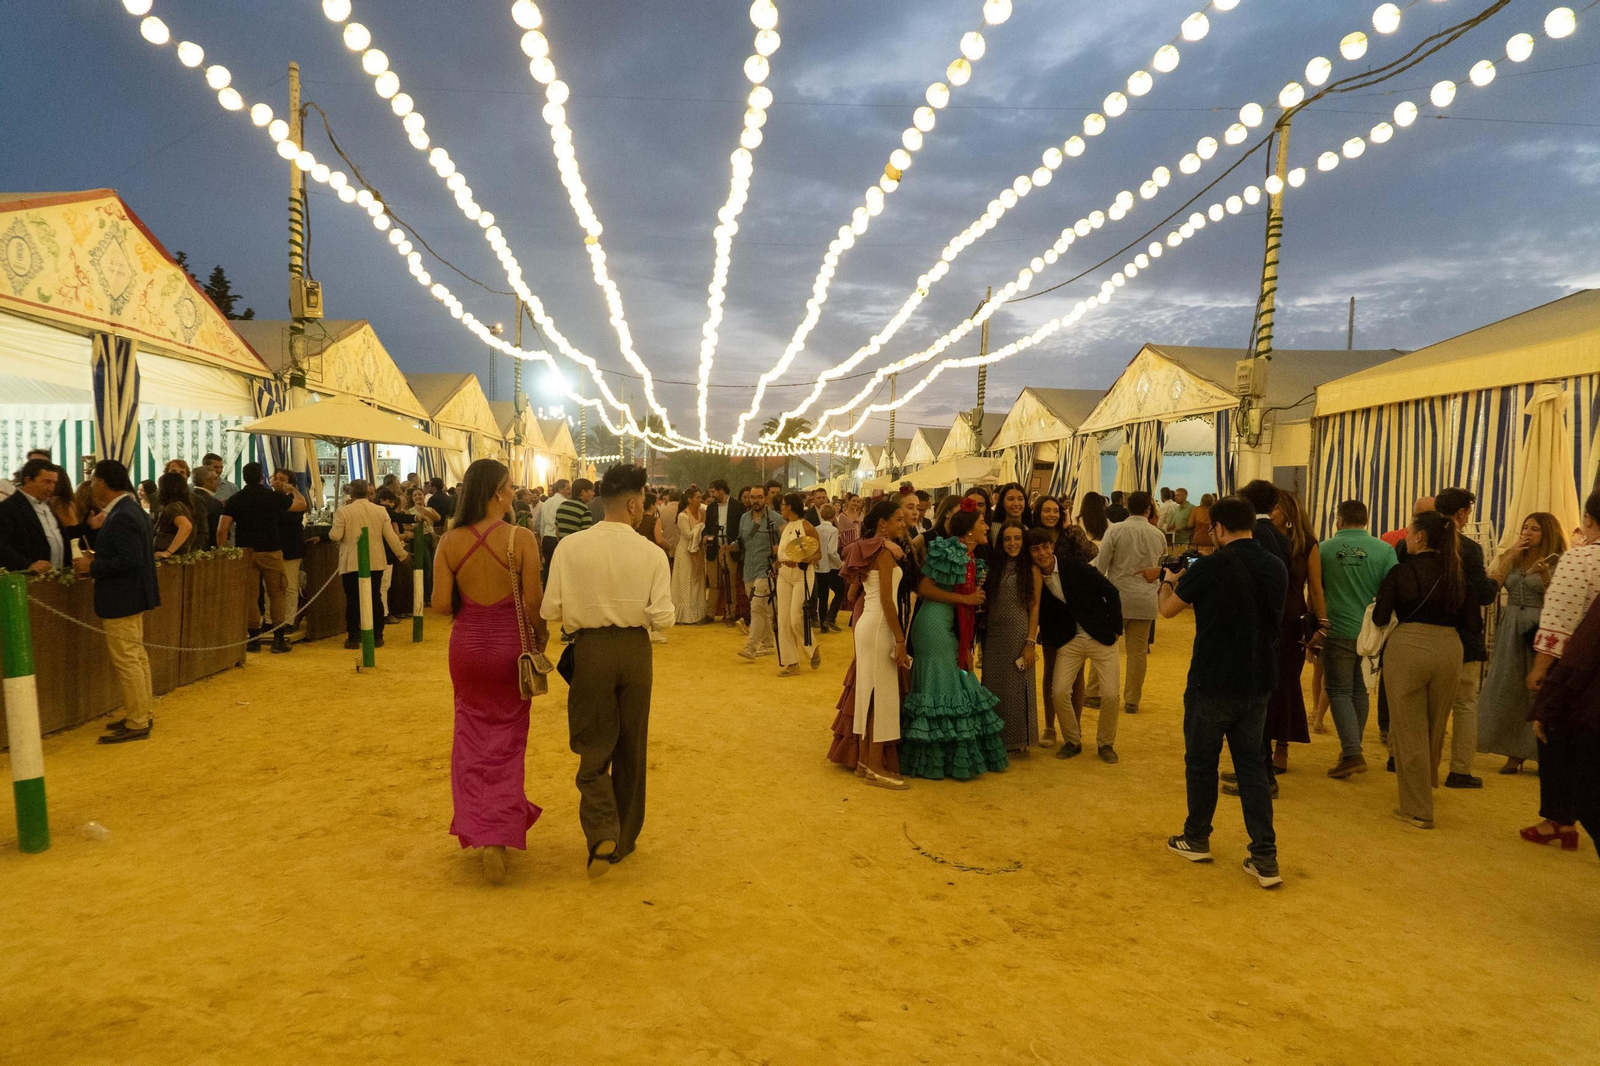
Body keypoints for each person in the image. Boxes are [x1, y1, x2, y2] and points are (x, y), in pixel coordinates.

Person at [540, 464, 673, 876]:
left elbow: (550, 610)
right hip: (636, 650)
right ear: (634, 503)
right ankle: (625, 839)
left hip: (591, 650)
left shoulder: (570, 548)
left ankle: (601, 829)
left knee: (592, 742)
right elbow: (664, 618)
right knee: (632, 745)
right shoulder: (651, 553)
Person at [1158, 496, 1287, 888]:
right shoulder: (1276, 566)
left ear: (1217, 527)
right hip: (1258, 679)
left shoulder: (1212, 565)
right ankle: (1265, 856)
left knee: (1201, 761)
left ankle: (1196, 837)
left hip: (1212, 680)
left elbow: (1167, 610)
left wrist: (1168, 580)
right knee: (1251, 769)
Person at [431, 459, 547, 885]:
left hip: (466, 648)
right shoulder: (522, 539)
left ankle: (481, 830)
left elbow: (441, 605)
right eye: (510, 486)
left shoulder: (450, 541)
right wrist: (541, 639)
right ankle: (498, 833)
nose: (514, 492)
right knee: (508, 742)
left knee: (470, 736)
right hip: (509, 649)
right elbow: (533, 605)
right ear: (497, 492)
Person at [1374, 510, 1473, 829]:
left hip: (1409, 648)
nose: (1405, 536)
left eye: (1410, 531)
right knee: (1435, 725)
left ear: (1420, 537)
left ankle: (1417, 808)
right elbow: (1473, 622)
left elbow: (1380, 617)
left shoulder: (1400, 573)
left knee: (1408, 728)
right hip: (1449, 649)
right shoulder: (1458, 573)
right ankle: (1425, 782)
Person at [900, 502, 1008, 780]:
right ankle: (939, 758)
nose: (986, 527)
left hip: (949, 623)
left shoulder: (970, 555)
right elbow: (924, 588)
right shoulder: (948, 550)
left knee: (955, 680)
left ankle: (942, 756)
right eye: (982, 522)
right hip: (933, 624)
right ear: (969, 529)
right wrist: (965, 598)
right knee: (945, 684)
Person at [1525, 490, 1600, 852]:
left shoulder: (1579, 560)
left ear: (1588, 521)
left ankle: (1557, 818)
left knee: (1553, 736)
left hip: (1574, 670)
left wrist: (1541, 669)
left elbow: (1559, 621)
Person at [75, 461, 162, 745]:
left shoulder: (122, 514)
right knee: (136, 657)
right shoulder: (130, 509)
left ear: (101, 482)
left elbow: (129, 560)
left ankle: (138, 721)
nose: (91, 485)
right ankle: (141, 713)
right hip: (132, 595)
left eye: (93, 480)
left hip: (122, 596)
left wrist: (93, 565)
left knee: (129, 660)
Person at [1422, 487, 1499, 790]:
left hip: (1422, 632)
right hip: (1462, 636)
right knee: (1465, 703)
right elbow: (1482, 594)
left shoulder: (1415, 540)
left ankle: (1419, 767)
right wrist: (1496, 577)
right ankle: (1460, 770)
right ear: (1462, 513)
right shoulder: (1468, 548)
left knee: (1426, 706)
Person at [828, 501, 911, 774]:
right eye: (898, 518)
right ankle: (875, 766)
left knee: (868, 694)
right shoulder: (883, 553)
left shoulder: (873, 548)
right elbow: (888, 600)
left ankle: (865, 761)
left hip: (868, 624)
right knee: (880, 696)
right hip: (879, 626)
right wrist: (900, 640)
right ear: (883, 522)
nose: (905, 523)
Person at [1478, 513, 1565, 774]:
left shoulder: (1558, 560)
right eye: (1525, 527)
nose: (1528, 533)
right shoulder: (1514, 556)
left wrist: (1546, 574)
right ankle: (1514, 752)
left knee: (1538, 689)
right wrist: (1511, 555)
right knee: (1510, 686)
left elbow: (1560, 599)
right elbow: (1494, 583)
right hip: (1511, 623)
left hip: (1540, 624)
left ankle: (1541, 751)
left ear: (1547, 533)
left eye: (1535, 529)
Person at [1318, 500, 1398, 779]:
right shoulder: (1385, 550)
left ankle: (1352, 751)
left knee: (1339, 690)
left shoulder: (1324, 549)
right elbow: (1392, 590)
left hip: (1336, 627)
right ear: (1366, 520)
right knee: (1360, 689)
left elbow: (1317, 589)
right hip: (1371, 632)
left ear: (1338, 519)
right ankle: (1351, 749)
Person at [1039, 522, 1125, 762]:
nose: (1042, 554)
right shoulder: (1035, 579)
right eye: (1036, 550)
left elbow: (1112, 591)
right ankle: (1072, 740)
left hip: (1101, 637)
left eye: (1045, 547)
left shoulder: (1075, 566)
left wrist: (1116, 627)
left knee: (1109, 695)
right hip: (1070, 641)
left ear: (1052, 547)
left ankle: (1106, 743)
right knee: (1058, 692)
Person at [1262, 489, 1323, 775]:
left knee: (1286, 684)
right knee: (1260, 682)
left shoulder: (1308, 544)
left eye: (1274, 508)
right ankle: (1259, 744)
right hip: (1263, 620)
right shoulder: (1260, 540)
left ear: (1287, 512)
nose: (1269, 513)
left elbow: (1316, 587)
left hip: (1291, 623)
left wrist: (1321, 625)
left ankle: (1282, 745)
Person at [216, 462, 306, 654]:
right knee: (276, 594)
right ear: (262, 477)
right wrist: (295, 490)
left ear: (244, 477)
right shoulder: (273, 497)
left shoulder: (235, 499)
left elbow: (222, 530)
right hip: (271, 550)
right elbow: (301, 505)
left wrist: (223, 553)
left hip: (246, 552)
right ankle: (279, 639)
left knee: (251, 596)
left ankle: (254, 639)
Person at [1094, 490, 1165, 719]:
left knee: (1103, 647)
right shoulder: (1158, 535)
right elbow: (1161, 567)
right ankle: (1132, 700)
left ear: (1127, 506)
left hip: (1117, 598)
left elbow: (1101, 565)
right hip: (1145, 600)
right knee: (1138, 653)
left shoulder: (1115, 530)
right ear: (1149, 510)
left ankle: (1093, 692)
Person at [981, 522, 1041, 753]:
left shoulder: (1031, 570)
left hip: (1018, 632)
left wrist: (1030, 642)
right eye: (1007, 539)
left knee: (1017, 685)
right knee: (992, 684)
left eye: (1017, 538)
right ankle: (994, 737)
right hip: (994, 635)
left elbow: (1034, 609)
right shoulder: (994, 568)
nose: (1012, 543)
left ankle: (1016, 740)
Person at [329, 479, 408, 650]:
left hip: (351, 563)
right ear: (367, 492)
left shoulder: (343, 511)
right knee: (375, 598)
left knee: (352, 600)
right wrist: (403, 555)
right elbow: (391, 538)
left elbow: (335, 535)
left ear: (351, 493)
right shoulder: (380, 511)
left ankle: (353, 637)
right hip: (376, 562)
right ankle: (377, 635)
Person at [774, 492, 821, 676]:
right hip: (784, 573)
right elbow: (786, 551)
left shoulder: (808, 527)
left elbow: (818, 554)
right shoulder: (783, 528)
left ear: (791, 507)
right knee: (783, 619)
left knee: (795, 617)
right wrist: (779, 560)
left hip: (802, 574)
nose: (781, 507)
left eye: (783, 504)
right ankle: (791, 662)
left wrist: (805, 559)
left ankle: (812, 647)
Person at [736, 488, 784, 662]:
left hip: (767, 570)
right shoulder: (744, 518)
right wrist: (732, 546)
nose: (755, 500)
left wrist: (778, 557)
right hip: (748, 568)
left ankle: (751, 646)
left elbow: (786, 544)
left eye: (759, 497)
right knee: (762, 609)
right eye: (752, 497)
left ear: (766, 498)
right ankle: (769, 643)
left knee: (756, 606)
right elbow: (742, 541)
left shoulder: (777, 520)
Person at [0, 458, 69, 573]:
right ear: (28, 480)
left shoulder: (47, 507)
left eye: (54, 483)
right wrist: (28, 565)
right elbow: (2, 546)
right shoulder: (8, 508)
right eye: (46, 482)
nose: (51, 488)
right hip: (29, 580)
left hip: (57, 578)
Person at [702, 479, 743, 624]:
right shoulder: (711, 508)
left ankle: (731, 614)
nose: (711, 495)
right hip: (714, 549)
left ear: (721, 490)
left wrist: (734, 544)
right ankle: (710, 614)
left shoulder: (737, 506)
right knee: (713, 583)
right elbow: (706, 527)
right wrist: (706, 536)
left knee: (730, 583)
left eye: (713, 492)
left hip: (729, 549)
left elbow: (741, 529)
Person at [272, 470, 309, 629]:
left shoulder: (295, 500)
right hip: (272, 547)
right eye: (276, 478)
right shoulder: (268, 498)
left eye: (283, 479)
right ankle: (270, 620)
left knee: (291, 586)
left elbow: (297, 513)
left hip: (291, 548)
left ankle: (289, 620)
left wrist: (293, 491)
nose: (278, 481)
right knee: (272, 587)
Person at [672, 487, 708, 625]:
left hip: (698, 550)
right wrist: (701, 525)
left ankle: (697, 613)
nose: (700, 500)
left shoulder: (702, 512)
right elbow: (688, 534)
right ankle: (684, 615)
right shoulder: (682, 516)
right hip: (685, 552)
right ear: (689, 500)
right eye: (698, 497)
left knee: (697, 580)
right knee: (686, 580)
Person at [812, 504, 845, 633]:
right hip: (831, 567)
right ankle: (831, 616)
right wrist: (840, 563)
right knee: (840, 591)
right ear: (834, 516)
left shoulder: (815, 529)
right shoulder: (833, 530)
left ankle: (823, 625)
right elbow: (832, 551)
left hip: (818, 566)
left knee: (823, 595)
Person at [152, 472, 197, 559]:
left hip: (171, 558)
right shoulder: (184, 505)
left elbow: (186, 526)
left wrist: (168, 552)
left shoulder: (172, 507)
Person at [536, 478, 568, 581]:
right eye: (567, 489)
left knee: (547, 568)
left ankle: (546, 591)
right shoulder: (565, 503)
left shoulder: (546, 503)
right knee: (559, 569)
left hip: (546, 538)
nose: (569, 491)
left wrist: (542, 539)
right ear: (560, 489)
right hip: (557, 538)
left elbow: (542, 523)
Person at [190, 467, 224, 549]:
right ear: (208, 481)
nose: (219, 482)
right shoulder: (214, 503)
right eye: (216, 479)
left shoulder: (187, 499)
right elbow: (217, 531)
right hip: (207, 551)